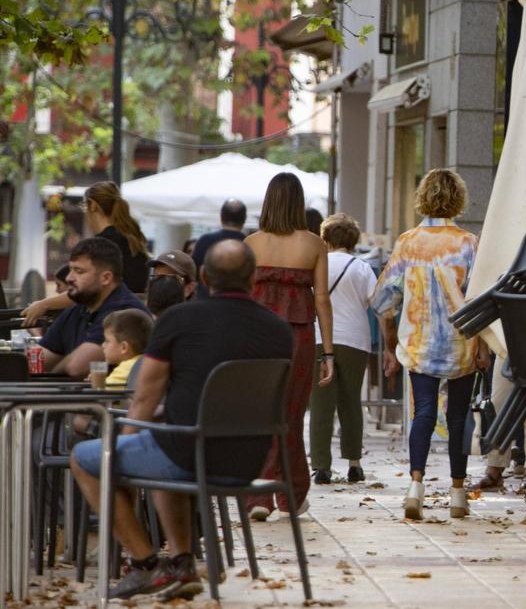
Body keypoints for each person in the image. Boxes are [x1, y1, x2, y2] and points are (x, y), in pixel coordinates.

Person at [69, 240, 293, 600]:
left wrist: (124, 441)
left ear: (203, 277)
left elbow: (145, 395)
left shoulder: (178, 319)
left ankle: (144, 564)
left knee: (86, 458)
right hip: (250, 460)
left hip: (186, 451)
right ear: (253, 279)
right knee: (164, 447)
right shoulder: (279, 330)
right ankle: (181, 562)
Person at [373, 169, 488, 520]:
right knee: (458, 417)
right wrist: (483, 346)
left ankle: (415, 486)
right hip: (461, 343)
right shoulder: (469, 243)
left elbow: (382, 298)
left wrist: (391, 341)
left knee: (423, 412)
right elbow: (481, 298)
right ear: (459, 199)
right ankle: (457, 492)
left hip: (419, 342)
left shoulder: (408, 242)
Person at [244, 173, 334, 520]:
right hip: (298, 337)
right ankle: (290, 496)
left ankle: (258, 496)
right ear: (299, 203)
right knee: (292, 416)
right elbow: (322, 300)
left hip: (257, 338)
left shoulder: (251, 243)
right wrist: (329, 352)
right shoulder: (314, 244)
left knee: (261, 414)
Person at [21, 182, 151, 325]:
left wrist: (43, 304)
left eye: (84, 207)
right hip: (134, 321)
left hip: (110, 322)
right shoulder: (134, 240)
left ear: (93, 205)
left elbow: (83, 291)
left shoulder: (102, 246)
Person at [310, 213, 375, 485]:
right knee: (351, 403)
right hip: (355, 341)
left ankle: (321, 467)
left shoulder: (316, 264)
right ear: (353, 240)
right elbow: (377, 302)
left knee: (320, 405)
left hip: (319, 338)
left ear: (325, 238)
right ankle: (354, 464)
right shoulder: (362, 268)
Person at [39, 238, 150, 378]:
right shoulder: (78, 309)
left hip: (112, 398)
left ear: (106, 278)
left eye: (78, 271)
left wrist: (50, 377)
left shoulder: (124, 312)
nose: (69, 278)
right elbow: (41, 357)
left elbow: (76, 367)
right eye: (70, 269)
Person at [71, 308, 154, 438]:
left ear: (124, 347)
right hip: (136, 422)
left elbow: (99, 396)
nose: (103, 345)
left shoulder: (126, 368)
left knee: (80, 420)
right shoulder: (145, 363)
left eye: (107, 341)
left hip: (121, 424)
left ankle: (99, 450)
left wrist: (94, 385)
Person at [191, 199, 247, 299]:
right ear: (244, 219)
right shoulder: (249, 242)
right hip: (239, 303)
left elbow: (193, 271)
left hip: (207, 300)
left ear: (221, 216)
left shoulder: (205, 240)